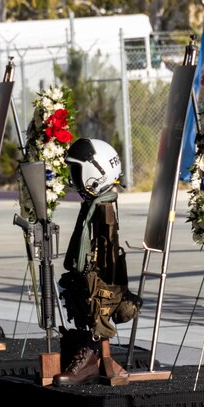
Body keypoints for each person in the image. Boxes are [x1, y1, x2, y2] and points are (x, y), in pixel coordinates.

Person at [55, 138, 142, 385]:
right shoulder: (94, 206)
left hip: (103, 296)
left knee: (95, 291)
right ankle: (87, 350)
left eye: (77, 169)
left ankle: (93, 352)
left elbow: (105, 265)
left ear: (97, 172)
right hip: (90, 293)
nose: (73, 176)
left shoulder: (104, 210)